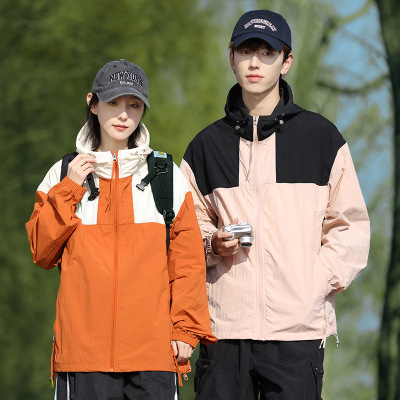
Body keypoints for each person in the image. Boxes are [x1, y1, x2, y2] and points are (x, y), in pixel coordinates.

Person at [180, 9, 370, 400]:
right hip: (224, 333)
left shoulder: (321, 138)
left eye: (267, 53)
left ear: (286, 61)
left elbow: (350, 227)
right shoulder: (204, 147)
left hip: (297, 334)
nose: (255, 62)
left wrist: (315, 283)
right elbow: (183, 234)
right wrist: (212, 244)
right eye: (246, 51)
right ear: (231, 57)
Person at [26, 59, 217, 400]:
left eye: (134, 105)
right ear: (93, 104)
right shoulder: (62, 173)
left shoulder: (166, 175)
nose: (123, 114)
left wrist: (186, 330)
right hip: (82, 356)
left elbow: (187, 262)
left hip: (154, 356)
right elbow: (41, 252)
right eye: (113, 102)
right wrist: (69, 188)